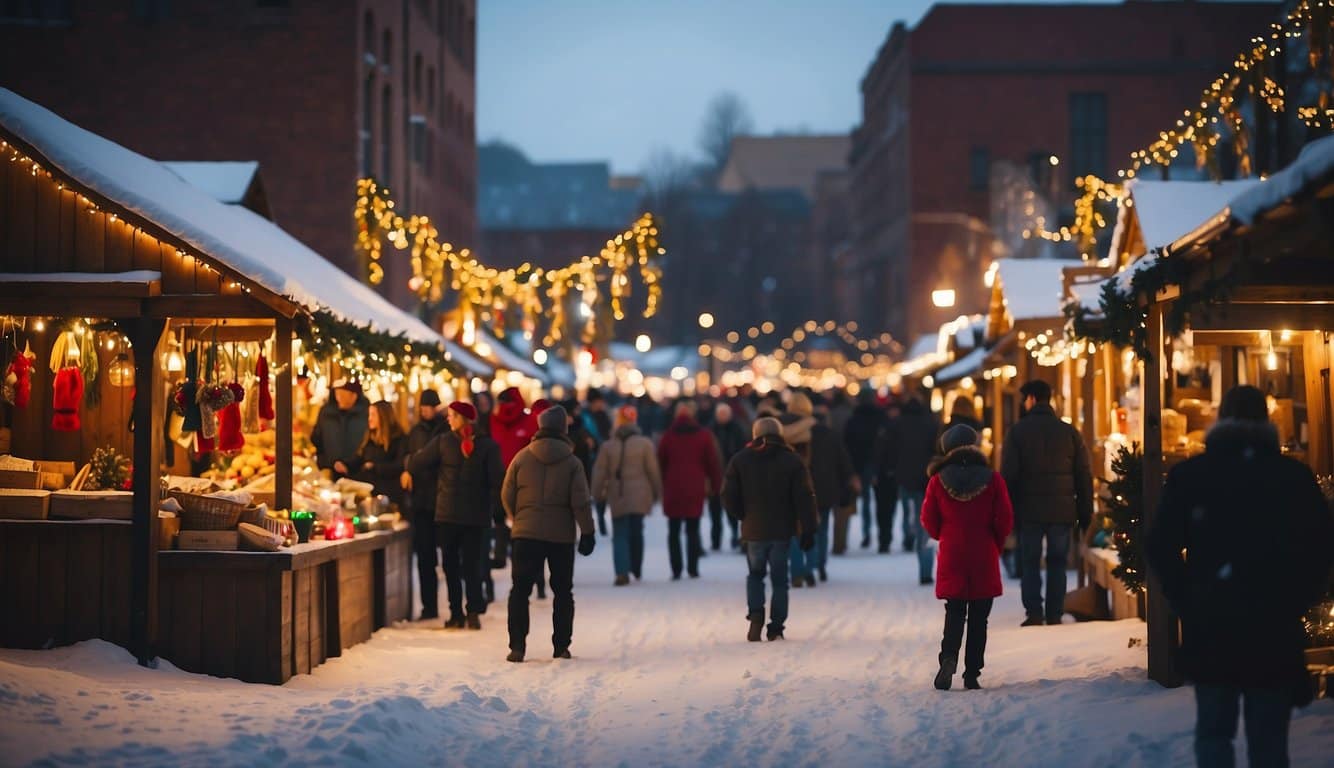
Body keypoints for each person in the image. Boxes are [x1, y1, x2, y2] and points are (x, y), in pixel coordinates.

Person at [1147, 385, 1333, 767]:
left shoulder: (1193, 475)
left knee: (1214, 733)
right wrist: (1299, 598)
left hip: (1212, 622)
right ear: (1266, 422)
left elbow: (1160, 545)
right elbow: (1321, 547)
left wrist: (1186, 596)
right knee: (1269, 740)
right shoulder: (1291, 477)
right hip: (1273, 623)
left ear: (1221, 419)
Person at [921, 425, 1013, 691]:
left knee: (955, 610)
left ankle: (948, 658)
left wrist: (945, 535)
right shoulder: (993, 479)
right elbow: (1005, 518)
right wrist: (995, 542)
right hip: (983, 550)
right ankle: (972, 673)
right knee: (979, 617)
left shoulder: (937, 480)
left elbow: (928, 519)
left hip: (953, 551)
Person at [501, 405, 596, 662]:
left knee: (520, 590)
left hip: (525, 534)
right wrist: (587, 531)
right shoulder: (573, 463)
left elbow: (507, 494)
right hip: (560, 536)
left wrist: (518, 518)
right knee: (563, 591)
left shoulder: (521, 457)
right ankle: (561, 646)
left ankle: (517, 646)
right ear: (564, 429)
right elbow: (581, 502)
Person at [1001, 380, 1093, 626]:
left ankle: (1034, 612)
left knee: (1030, 561)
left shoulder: (1017, 432)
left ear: (1031, 398)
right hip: (1062, 510)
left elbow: (1008, 475)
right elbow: (1083, 474)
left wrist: (1007, 512)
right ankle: (1054, 612)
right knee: (1057, 561)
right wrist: (1085, 513)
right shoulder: (1069, 432)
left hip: (1028, 510)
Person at [407, 401, 504, 629]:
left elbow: (418, 463)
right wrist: (495, 511)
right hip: (476, 517)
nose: (448, 419)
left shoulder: (443, 442)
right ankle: (472, 611)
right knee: (472, 565)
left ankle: (456, 613)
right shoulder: (489, 446)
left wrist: (409, 465)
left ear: (462, 419)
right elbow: (497, 481)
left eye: (452, 416)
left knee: (451, 566)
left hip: (448, 515)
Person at [722, 417, 818, 642]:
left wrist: (742, 515)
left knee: (755, 575)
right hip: (782, 530)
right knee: (779, 580)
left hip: (754, 529)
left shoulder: (740, 460)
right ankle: (776, 627)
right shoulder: (792, 460)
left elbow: (727, 494)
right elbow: (805, 497)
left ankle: (756, 616)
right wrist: (809, 528)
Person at [781, 392, 856, 586]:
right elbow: (842, 460)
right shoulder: (825, 432)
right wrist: (847, 480)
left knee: (794, 530)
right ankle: (816, 565)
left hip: (791, 488)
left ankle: (797, 570)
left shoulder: (781, 430)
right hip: (823, 488)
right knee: (819, 529)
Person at [591, 405, 662, 585]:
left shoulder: (608, 446)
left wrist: (597, 493)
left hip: (618, 493)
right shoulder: (645, 444)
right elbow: (652, 470)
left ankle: (622, 572)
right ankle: (636, 567)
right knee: (637, 531)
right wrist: (657, 492)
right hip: (640, 494)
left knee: (620, 533)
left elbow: (599, 472)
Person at [657, 401, 723, 580]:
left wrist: (662, 484)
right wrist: (716, 486)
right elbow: (712, 463)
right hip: (695, 486)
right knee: (693, 529)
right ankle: (693, 568)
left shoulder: (668, 436)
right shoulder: (703, 435)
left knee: (674, 530)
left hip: (673, 486)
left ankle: (676, 569)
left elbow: (660, 462)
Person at [400, 390, 448, 620]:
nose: (425, 410)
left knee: (449, 557)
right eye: (422, 407)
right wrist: (408, 468)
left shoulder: (445, 430)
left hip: (442, 500)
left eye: (429, 406)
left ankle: (455, 604)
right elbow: (408, 456)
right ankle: (429, 606)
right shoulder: (416, 431)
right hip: (421, 501)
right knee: (426, 557)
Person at [893, 396, 941, 584]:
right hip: (924, 479)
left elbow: (892, 450)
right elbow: (936, 450)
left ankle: (907, 535)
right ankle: (925, 569)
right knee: (925, 522)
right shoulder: (930, 425)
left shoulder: (898, 425)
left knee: (907, 510)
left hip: (905, 477)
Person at [490, 387, 538, 572]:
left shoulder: (527, 421)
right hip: (507, 479)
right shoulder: (493, 422)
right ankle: (512, 556)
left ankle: (517, 557)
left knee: (512, 520)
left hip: (516, 480)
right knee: (506, 520)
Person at [845, 390, 889, 550]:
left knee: (864, 501)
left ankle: (866, 532)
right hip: (878, 465)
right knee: (880, 502)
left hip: (859, 464)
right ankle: (881, 536)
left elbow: (848, 444)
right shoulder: (882, 418)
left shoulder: (853, 419)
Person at [349, 400, 406, 507]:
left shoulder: (398, 439)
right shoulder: (369, 438)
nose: (369, 419)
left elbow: (399, 465)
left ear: (383, 416)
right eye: (369, 415)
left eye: (373, 415)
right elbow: (358, 459)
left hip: (389, 497)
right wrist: (344, 465)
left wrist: (375, 467)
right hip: (368, 495)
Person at [709, 402, 748, 550]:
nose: (722, 417)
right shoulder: (711, 429)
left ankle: (734, 535)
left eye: (725, 414)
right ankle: (716, 541)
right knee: (715, 511)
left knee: (732, 510)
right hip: (716, 474)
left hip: (731, 475)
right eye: (720, 414)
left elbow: (741, 449)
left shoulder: (737, 428)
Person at [311, 379, 369, 478]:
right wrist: (326, 462)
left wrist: (353, 465)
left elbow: (370, 444)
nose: (338, 398)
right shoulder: (326, 413)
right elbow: (316, 439)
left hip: (358, 474)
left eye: (342, 395)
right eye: (337, 394)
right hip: (329, 470)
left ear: (354, 396)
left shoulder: (366, 414)